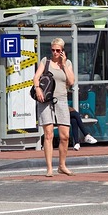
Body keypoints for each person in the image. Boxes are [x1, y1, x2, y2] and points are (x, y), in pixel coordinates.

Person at [34, 39, 74, 177]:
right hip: (46, 100)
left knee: (65, 136)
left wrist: (63, 64)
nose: (55, 53)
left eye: (58, 50)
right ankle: (49, 168)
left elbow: (72, 81)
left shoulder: (67, 64)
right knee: (49, 134)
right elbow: (36, 77)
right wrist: (37, 88)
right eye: (53, 50)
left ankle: (62, 165)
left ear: (62, 50)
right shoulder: (45, 61)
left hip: (62, 99)